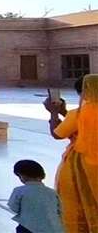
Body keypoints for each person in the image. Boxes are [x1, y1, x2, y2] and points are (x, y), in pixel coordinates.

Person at [46, 75, 98, 232]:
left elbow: (58, 133)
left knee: (76, 205)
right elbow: (83, 129)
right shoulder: (77, 114)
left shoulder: (80, 112)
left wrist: (54, 113)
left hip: (81, 167)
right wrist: (64, 112)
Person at [8, 159, 64, 233]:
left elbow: (13, 208)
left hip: (28, 228)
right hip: (54, 229)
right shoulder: (52, 192)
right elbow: (60, 210)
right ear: (42, 175)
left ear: (22, 176)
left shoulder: (19, 191)